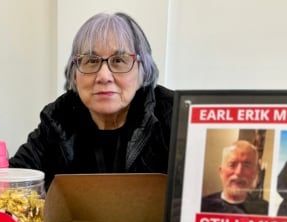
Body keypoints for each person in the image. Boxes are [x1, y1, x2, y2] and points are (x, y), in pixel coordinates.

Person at [9, 12, 172, 188]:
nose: (104, 76)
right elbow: (13, 182)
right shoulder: (58, 118)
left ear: (143, 69)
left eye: (118, 60)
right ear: (75, 72)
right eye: (91, 61)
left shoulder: (173, 115)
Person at [201, 140, 268, 215]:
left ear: (255, 173)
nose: (239, 172)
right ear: (221, 172)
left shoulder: (266, 211)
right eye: (232, 165)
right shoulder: (202, 206)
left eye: (247, 166)